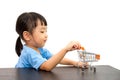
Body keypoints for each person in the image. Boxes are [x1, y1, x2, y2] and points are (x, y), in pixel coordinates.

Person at [15, 12, 88, 71]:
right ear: (27, 36)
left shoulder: (40, 50)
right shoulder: (29, 53)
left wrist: (76, 63)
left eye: (46, 31)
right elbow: (47, 66)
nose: (46, 35)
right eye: (42, 31)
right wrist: (65, 49)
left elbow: (56, 59)